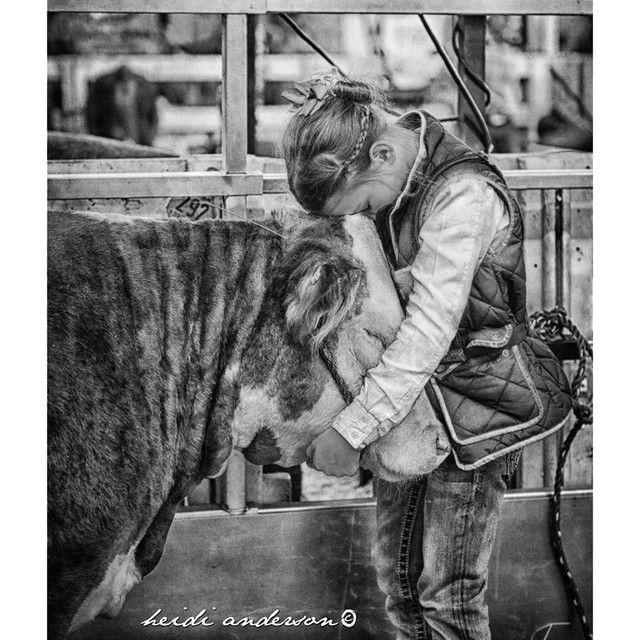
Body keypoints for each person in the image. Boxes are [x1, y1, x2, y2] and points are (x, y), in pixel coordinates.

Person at [281, 70, 573, 640]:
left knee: (449, 598)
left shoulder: (462, 194)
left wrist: (351, 430)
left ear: (383, 153)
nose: (361, 216)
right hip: (409, 412)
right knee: (398, 585)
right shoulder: (399, 177)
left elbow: (427, 332)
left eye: (361, 203)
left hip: (471, 411)